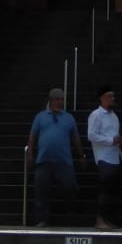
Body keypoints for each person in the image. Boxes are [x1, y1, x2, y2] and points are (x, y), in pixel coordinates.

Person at [25, 87, 82, 228]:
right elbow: (33, 136)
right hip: (43, 160)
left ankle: (69, 217)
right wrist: (30, 153)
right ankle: (42, 219)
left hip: (64, 161)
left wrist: (81, 155)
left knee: (70, 187)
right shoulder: (40, 117)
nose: (60, 101)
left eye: (62, 99)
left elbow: (75, 138)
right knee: (41, 190)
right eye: (57, 99)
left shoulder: (69, 118)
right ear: (50, 100)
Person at [86, 84, 122, 230]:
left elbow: (114, 134)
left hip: (115, 156)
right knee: (104, 189)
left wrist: (118, 141)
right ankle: (99, 219)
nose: (112, 99)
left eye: (113, 96)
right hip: (103, 157)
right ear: (101, 98)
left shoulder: (114, 116)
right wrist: (110, 140)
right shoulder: (96, 115)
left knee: (112, 190)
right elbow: (91, 135)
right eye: (109, 96)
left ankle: (108, 219)